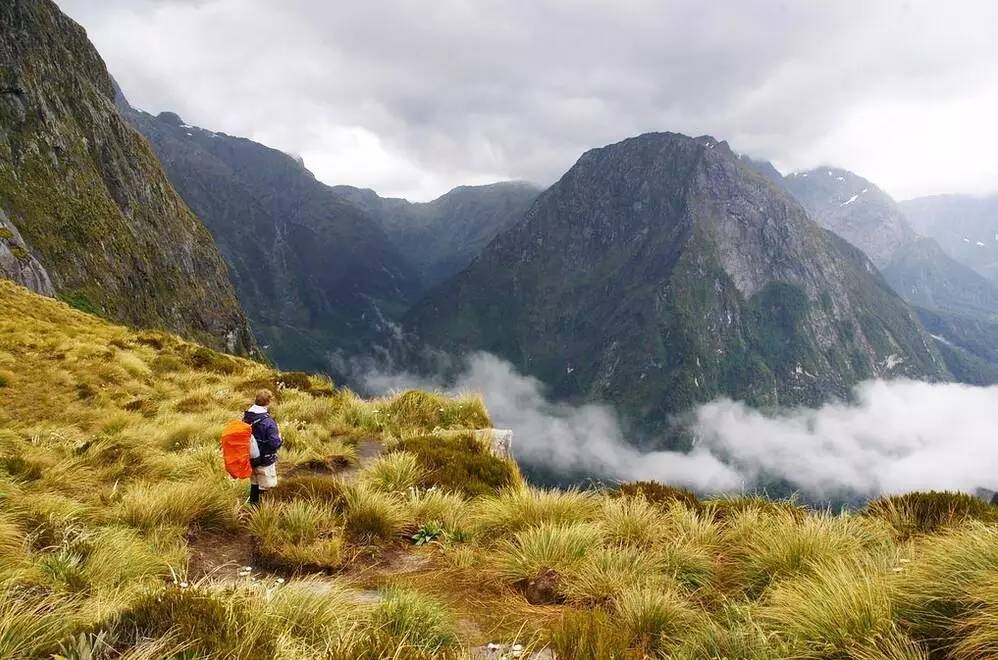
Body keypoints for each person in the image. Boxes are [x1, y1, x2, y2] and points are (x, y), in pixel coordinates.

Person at [244, 389, 282, 505]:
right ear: (268, 402)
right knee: (267, 486)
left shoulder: (247, 416)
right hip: (264, 459)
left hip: (250, 458)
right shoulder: (268, 421)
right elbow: (274, 443)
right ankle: (263, 513)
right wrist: (280, 439)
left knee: (254, 483)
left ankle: (252, 508)